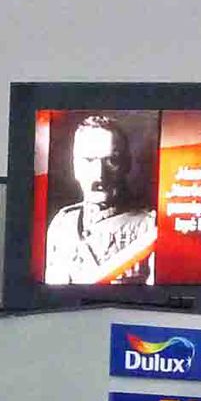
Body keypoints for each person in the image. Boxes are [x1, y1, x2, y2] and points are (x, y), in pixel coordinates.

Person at [46, 115, 157, 285]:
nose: (99, 175)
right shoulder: (62, 224)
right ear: (76, 167)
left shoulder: (149, 229)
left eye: (112, 161)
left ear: (127, 165)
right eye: (89, 160)